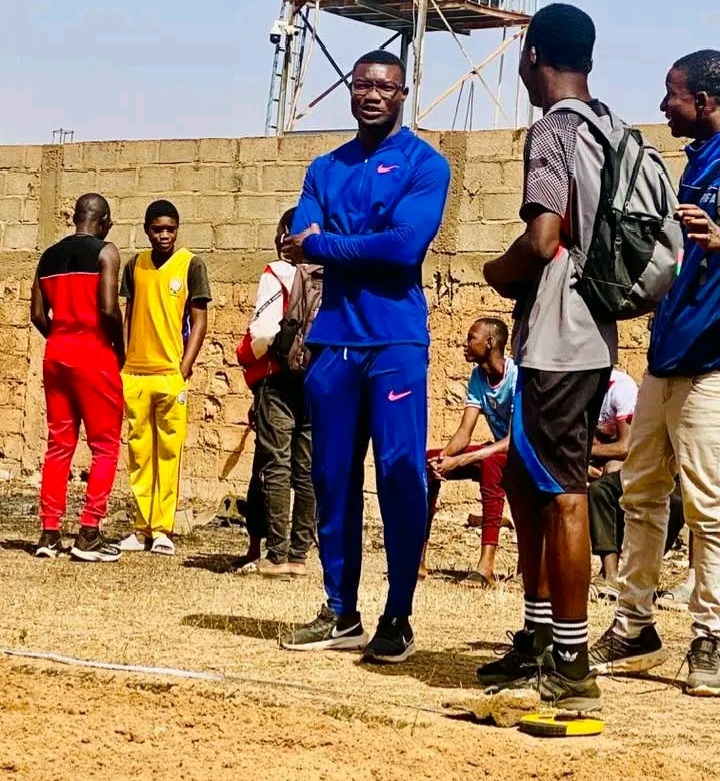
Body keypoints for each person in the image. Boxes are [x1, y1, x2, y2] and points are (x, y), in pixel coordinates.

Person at [278, 49, 451, 663]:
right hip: (333, 342)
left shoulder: (425, 164)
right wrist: (329, 244)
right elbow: (301, 240)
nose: (373, 94)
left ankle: (397, 615)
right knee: (330, 475)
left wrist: (326, 243)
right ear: (351, 91)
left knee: (400, 471)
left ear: (404, 94)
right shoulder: (324, 168)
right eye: (363, 85)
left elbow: (404, 248)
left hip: (395, 340)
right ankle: (339, 610)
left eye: (386, 86)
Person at [480, 4, 617, 711]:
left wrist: (493, 273)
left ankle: (571, 659)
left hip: (558, 336)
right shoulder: (613, 129)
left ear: (531, 56)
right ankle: (538, 636)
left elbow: (541, 239)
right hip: (595, 333)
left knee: (562, 494)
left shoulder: (554, 131)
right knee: (533, 487)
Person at [589, 49, 720, 697]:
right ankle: (635, 622)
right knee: (640, 492)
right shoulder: (696, 162)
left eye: (674, 95)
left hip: (713, 363)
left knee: (709, 506)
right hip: (667, 355)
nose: (665, 105)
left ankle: (712, 636)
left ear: (706, 100)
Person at [30, 193, 125, 563]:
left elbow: (38, 315)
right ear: (103, 221)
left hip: (56, 356)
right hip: (94, 356)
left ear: (75, 218)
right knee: (105, 446)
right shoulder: (107, 252)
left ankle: (49, 532)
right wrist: (119, 347)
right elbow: (108, 307)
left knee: (59, 444)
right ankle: (88, 532)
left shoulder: (47, 257)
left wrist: (60, 337)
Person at [119, 200, 211, 556]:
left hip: (170, 375)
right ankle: (141, 527)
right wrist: (126, 358)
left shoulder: (191, 265)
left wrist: (184, 366)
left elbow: (199, 320)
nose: (164, 235)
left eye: (170, 229)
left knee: (169, 454)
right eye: (157, 229)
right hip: (137, 374)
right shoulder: (135, 265)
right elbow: (128, 315)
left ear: (177, 229)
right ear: (146, 230)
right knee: (139, 453)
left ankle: (162, 530)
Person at [236, 207, 317, 578]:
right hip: (316, 381)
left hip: (279, 379)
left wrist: (251, 352)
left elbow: (262, 334)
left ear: (286, 234)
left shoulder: (277, 273)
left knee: (277, 466)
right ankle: (301, 555)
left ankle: (277, 553)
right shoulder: (327, 273)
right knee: (307, 469)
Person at [421, 317, 516, 587]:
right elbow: (464, 433)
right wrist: (445, 458)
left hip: (524, 453)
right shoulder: (478, 376)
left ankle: (485, 567)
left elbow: (514, 440)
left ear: (490, 343)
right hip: (498, 450)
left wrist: (462, 459)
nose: (464, 344)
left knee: (491, 464)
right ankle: (418, 559)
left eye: (471, 338)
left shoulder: (517, 375)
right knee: (428, 462)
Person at [588, 368, 638, 595]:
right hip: (595, 455)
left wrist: (587, 451)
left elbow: (626, 447)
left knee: (606, 482)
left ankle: (611, 574)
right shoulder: (579, 387)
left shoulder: (621, 389)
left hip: (626, 457)